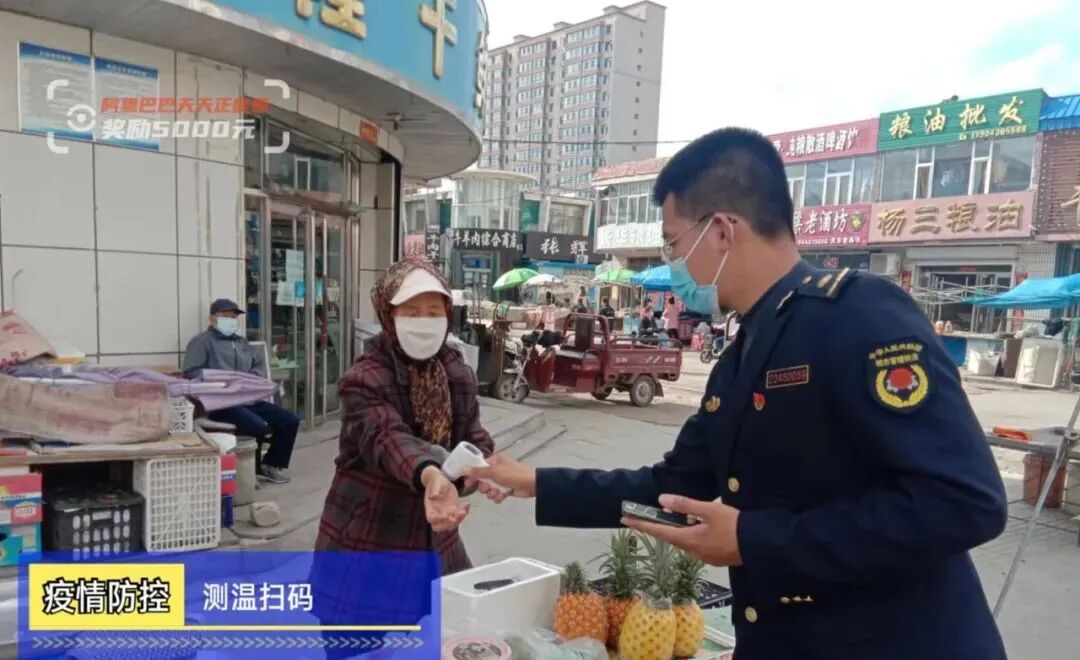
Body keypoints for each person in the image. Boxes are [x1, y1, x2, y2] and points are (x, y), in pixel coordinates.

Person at [471, 128, 1008, 660]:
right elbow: (672, 487)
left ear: (722, 231)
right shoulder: (742, 355)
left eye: (673, 243)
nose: (673, 263)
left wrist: (755, 539)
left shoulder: (860, 317)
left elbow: (964, 502)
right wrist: (536, 483)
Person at [315, 257, 493, 573]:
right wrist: (430, 473)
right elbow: (386, 437)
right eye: (411, 312)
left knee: (450, 604)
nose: (424, 321)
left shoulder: (457, 373)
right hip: (368, 530)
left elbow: (473, 437)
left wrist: (482, 469)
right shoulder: (364, 378)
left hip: (434, 533)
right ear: (389, 315)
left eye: (433, 312)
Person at [183, 299, 298, 484]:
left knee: (289, 420)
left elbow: (258, 364)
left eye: (233, 317)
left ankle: (271, 465)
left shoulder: (241, 342)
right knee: (256, 426)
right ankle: (251, 470)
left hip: (247, 399)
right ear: (212, 318)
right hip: (221, 403)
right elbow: (191, 372)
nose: (230, 320)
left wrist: (251, 378)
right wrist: (220, 380)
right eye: (225, 316)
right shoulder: (202, 342)